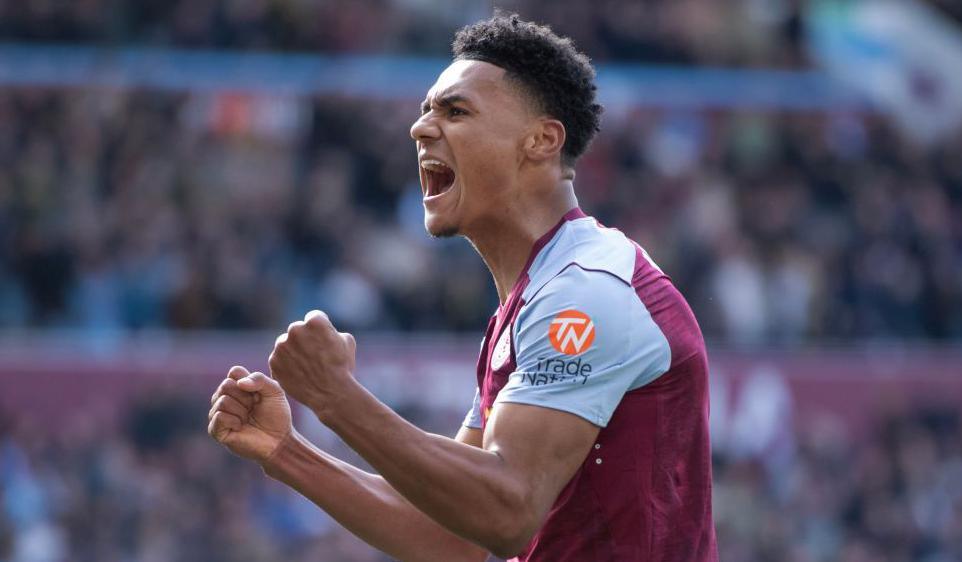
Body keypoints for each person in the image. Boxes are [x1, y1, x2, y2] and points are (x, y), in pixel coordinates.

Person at [208, 13, 718, 561]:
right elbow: (455, 540)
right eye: (426, 111)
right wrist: (288, 454)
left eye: (455, 111)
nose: (421, 128)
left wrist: (337, 399)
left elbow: (507, 513)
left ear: (542, 141)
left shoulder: (589, 293)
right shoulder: (534, 299)